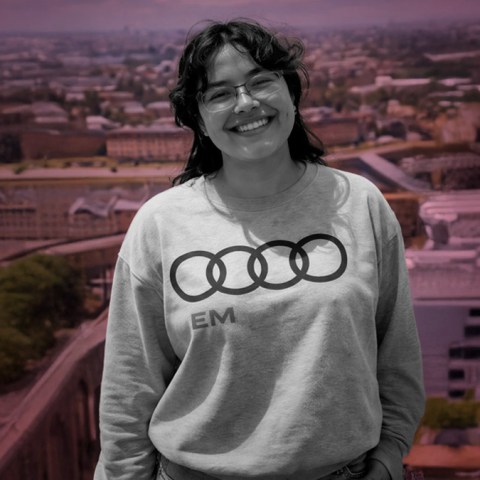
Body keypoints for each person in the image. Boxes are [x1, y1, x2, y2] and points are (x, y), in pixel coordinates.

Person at [94, 18, 425, 480]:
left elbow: (398, 357)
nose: (246, 103)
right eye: (219, 93)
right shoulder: (160, 224)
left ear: (291, 91)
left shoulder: (360, 203)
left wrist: (389, 458)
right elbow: (129, 389)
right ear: (199, 119)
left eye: (261, 82)